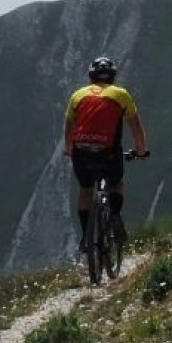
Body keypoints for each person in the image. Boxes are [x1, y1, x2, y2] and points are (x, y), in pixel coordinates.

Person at [63, 56, 149, 250]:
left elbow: (69, 126)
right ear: (112, 76)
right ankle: (115, 215)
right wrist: (141, 150)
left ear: (91, 76)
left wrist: (69, 149)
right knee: (116, 182)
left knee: (85, 190)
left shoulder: (77, 95)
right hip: (109, 153)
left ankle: (86, 236)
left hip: (81, 152)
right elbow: (135, 126)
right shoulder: (120, 94)